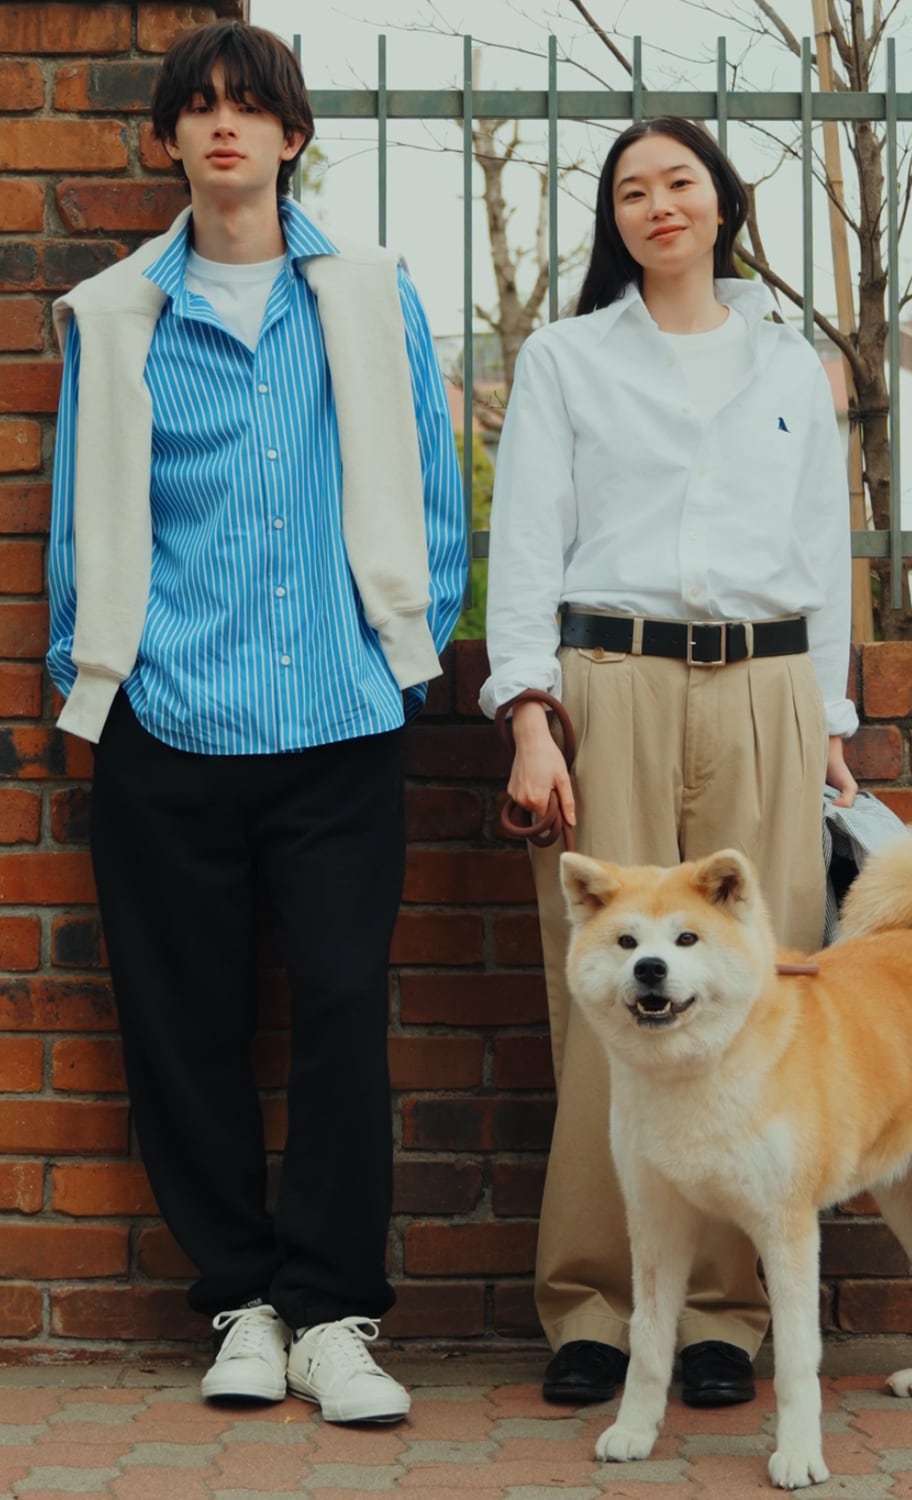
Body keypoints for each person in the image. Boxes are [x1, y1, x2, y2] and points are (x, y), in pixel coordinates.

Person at [47, 20, 466, 1423]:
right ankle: (240, 1300)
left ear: (292, 136)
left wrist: (405, 662)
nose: (224, 125)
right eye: (200, 107)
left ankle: (335, 1315)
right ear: (168, 136)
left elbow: (433, 489)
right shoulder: (116, 314)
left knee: (341, 1012)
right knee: (185, 1024)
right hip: (168, 721)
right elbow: (79, 510)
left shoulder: (369, 295)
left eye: (251, 106)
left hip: (339, 719)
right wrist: (95, 683)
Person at [480, 117, 858, 1407]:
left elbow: (824, 552)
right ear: (616, 219)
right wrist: (530, 715)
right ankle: (596, 1305)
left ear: (722, 202)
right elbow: (527, 544)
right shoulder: (568, 359)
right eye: (632, 190)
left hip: (767, 689)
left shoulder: (790, 365)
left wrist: (831, 721)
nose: (659, 205)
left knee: (756, 995)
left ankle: (725, 1316)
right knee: (610, 997)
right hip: (614, 683)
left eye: (680, 181)